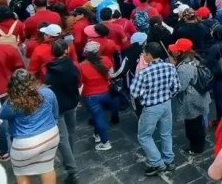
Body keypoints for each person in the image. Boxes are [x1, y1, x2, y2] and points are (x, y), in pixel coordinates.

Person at [0, 69, 60, 184]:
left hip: (25, 144)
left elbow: (1, 114)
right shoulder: (47, 92)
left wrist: (10, 96)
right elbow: (55, 114)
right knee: (47, 168)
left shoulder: (13, 102)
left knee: (22, 174)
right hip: (51, 135)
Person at [129, 42, 180, 176]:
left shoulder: (144, 73)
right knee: (166, 133)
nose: (143, 56)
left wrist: (145, 96)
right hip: (167, 104)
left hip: (151, 107)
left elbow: (134, 92)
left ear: (150, 56)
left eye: (145, 54)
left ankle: (157, 163)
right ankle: (169, 160)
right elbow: (176, 88)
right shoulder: (170, 67)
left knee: (144, 136)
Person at [44, 40, 80, 184]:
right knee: (71, 131)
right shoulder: (72, 66)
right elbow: (76, 83)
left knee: (62, 137)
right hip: (71, 102)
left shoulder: (50, 70)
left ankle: (71, 166)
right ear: (66, 50)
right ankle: (70, 157)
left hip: (57, 106)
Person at [168, 38, 210, 155]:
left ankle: (196, 148)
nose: (173, 52)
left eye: (176, 50)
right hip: (200, 97)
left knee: (193, 126)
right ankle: (198, 143)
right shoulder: (194, 58)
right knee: (197, 123)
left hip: (192, 101)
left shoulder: (184, 67)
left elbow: (180, 87)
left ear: (181, 52)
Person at [79, 40, 118, 151]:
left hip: (90, 97)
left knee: (98, 117)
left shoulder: (82, 66)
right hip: (106, 93)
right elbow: (111, 75)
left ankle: (105, 142)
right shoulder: (106, 60)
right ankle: (97, 135)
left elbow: (80, 83)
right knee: (99, 116)